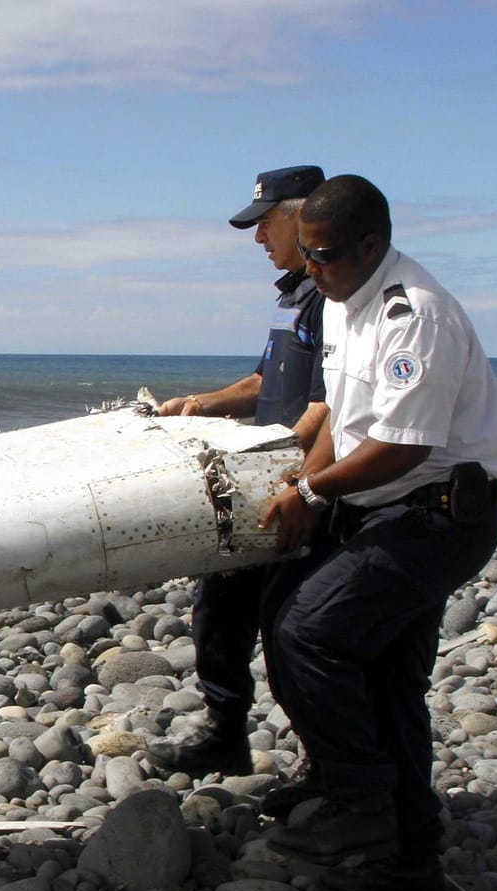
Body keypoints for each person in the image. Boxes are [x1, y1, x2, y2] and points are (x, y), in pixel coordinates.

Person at [259, 175, 497, 891]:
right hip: (381, 507)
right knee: (379, 673)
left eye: (326, 256)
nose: (311, 270)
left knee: (311, 634)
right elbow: (342, 413)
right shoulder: (344, 300)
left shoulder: (416, 316)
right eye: (306, 254)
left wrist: (310, 492)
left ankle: (358, 804)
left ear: (372, 245)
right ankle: (408, 857)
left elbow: (403, 445)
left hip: (436, 515)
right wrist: (308, 489)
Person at [148, 165, 330, 777]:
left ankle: (322, 761)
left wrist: (295, 480)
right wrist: (199, 404)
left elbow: (330, 407)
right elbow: (263, 383)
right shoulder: (292, 297)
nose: (257, 240)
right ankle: (225, 730)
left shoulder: (335, 300)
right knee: (219, 607)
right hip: (265, 477)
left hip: (302, 484)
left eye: (265, 224)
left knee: (293, 630)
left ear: (303, 218)